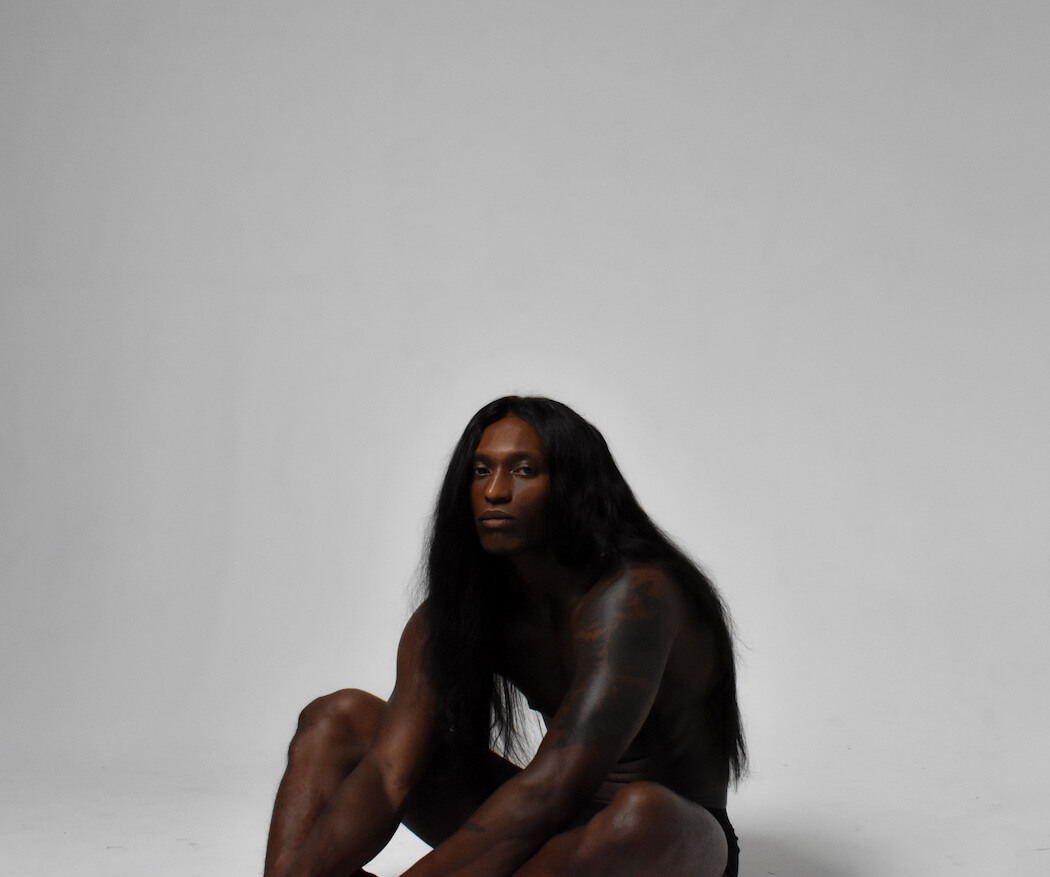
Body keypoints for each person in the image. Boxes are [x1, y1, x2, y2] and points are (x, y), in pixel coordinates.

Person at [264, 396, 745, 877]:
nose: (494, 491)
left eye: (523, 470)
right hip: (546, 836)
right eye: (481, 471)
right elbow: (390, 773)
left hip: (663, 846)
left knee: (639, 814)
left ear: (572, 484)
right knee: (337, 717)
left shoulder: (637, 594)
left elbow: (554, 788)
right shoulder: (463, 610)